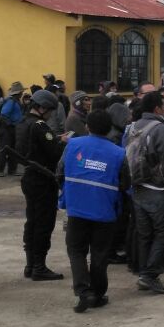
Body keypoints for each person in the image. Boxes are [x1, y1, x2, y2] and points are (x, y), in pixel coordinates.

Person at [59, 110, 129, 312]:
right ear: (109, 129)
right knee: (100, 254)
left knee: (76, 251)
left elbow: (59, 171)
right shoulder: (118, 153)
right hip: (105, 212)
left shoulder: (72, 145)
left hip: (77, 209)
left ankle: (83, 291)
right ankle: (97, 294)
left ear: (87, 126)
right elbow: (126, 183)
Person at [127, 91, 164, 295]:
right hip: (157, 189)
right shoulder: (160, 129)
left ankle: (144, 273)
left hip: (137, 187)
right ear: (157, 108)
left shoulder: (133, 127)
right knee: (163, 232)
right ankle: (150, 275)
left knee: (144, 234)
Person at [16, 89, 68, 282]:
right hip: (43, 178)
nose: (51, 114)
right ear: (43, 107)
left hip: (29, 176)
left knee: (32, 221)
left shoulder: (22, 123)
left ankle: (30, 264)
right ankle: (39, 266)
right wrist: (62, 142)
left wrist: (55, 139)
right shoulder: (39, 125)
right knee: (44, 223)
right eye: (50, 110)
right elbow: (54, 152)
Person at [0, 81, 25, 176]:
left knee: (13, 150)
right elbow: (3, 116)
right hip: (8, 129)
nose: (22, 94)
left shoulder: (15, 101)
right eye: (21, 92)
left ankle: (12, 170)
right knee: (5, 149)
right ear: (18, 93)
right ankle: (0, 170)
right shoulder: (11, 101)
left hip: (12, 128)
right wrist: (11, 124)